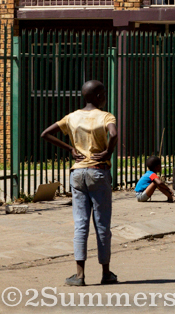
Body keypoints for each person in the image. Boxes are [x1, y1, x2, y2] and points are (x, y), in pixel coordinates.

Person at [40, 80, 119, 286]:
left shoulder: (72, 117)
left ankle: (80, 275)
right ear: (99, 96)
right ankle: (106, 273)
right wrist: (108, 152)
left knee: (81, 224)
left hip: (77, 173)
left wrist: (70, 149)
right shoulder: (106, 116)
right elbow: (114, 134)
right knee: (102, 224)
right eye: (103, 93)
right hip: (98, 172)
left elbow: (45, 134)